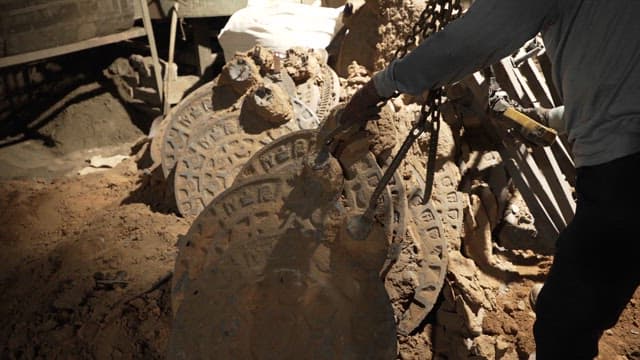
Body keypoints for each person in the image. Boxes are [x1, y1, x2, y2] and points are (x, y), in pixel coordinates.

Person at [343, 1, 640, 358]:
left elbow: (468, 42)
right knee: (599, 278)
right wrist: (551, 116)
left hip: (625, 168)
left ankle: (573, 309)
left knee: (564, 323)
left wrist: (380, 85)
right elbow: (620, 73)